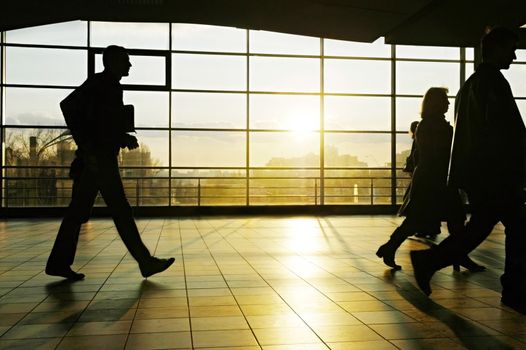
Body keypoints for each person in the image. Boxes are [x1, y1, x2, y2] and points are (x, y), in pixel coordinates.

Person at [410, 28, 526, 314]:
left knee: (481, 227)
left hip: (480, 173)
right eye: (510, 48)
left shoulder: (473, 84)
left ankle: (430, 262)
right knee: (517, 227)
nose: (513, 55)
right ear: (496, 48)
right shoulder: (494, 83)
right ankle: (513, 288)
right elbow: (504, 132)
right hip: (496, 173)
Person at [46, 45, 175, 280]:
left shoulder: (107, 85)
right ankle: (145, 262)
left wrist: (111, 138)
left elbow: (100, 123)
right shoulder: (103, 85)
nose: (130, 65)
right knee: (120, 210)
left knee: (79, 212)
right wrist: (88, 142)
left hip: (95, 158)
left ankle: (59, 262)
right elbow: (74, 109)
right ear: (113, 62)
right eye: (126, 60)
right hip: (100, 160)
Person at [376, 87, 484, 272]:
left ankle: (390, 248)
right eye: (445, 100)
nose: (449, 103)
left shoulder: (427, 126)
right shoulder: (436, 127)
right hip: (437, 181)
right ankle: (459, 257)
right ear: (437, 103)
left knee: (423, 221)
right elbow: (441, 154)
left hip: (430, 180)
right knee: (451, 221)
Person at [403, 120, 441, 239]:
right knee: (429, 204)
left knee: (414, 202)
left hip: (420, 175)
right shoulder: (428, 140)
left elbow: (415, 156)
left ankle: (417, 227)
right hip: (429, 175)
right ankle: (431, 227)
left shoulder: (417, 141)